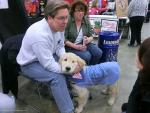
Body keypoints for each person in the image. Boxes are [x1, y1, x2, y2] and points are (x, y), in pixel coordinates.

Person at [16, 0, 77, 113]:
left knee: (69, 64)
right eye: (61, 18)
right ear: (49, 18)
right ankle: (68, 110)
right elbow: (48, 64)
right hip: (29, 64)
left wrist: (65, 60)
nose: (65, 22)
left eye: (66, 17)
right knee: (57, 77)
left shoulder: (60, 26)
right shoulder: (40, 35)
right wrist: (68, 70)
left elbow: (59, 47)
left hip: (47, 55)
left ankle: (64, 95)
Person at [65, 0, 102, 65]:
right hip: (71, 46)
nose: (81, 13)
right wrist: (76, 46)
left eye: (83, 11)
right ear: (73, 11)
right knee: (87, 56)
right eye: (78, 11)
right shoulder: (68, 20)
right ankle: (83, 71)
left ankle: (90, 69)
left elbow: (91, 35)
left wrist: (88, 39)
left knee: (98, 52)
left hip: (84, 44)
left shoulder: (85, 19)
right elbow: (63, 39)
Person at [121, 37, 150, 113]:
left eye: (139, 52)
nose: (136, 54)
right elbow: (134, 94)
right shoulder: (143, 72)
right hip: (140, 103)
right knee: (125, 106)